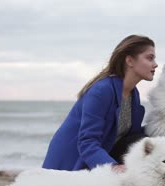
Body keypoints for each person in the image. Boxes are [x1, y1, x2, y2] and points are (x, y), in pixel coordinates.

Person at [42, 35, 158, 173]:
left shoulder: (133, 94)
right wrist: (113, 167)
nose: (155, 64)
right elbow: (87, 142)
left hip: (102, 157)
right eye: (150, 58)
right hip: (71, 165)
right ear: (130, 61)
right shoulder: (102, 90)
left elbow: (133, 139)